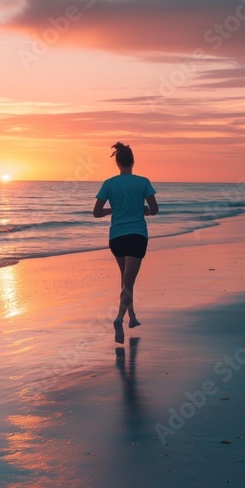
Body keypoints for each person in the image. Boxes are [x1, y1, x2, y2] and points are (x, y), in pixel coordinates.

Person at [93, 142, 158, 343]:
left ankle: (132, 317)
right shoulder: (143, 182)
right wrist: (143, 211)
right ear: (133, 161)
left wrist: (114, 210)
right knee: (129, 282)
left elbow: (96, 213)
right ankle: (119, 318)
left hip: (116, 238)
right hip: (136, 236)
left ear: (117, 163)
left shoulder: (109, 183)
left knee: (126, 279)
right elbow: (154, 209)